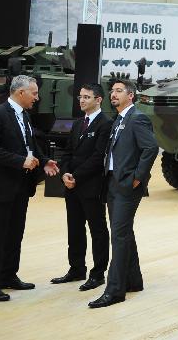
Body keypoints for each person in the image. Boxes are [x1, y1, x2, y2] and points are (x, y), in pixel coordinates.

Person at [0, 75, 59, 302]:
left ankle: (8, 275)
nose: (37, 97)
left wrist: (43, 161)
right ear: (20, 93)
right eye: (34, 93)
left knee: (15, 233)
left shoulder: (24, 115)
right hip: (0, 186)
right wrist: (19, 161)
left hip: (21, 186)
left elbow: (30, 145)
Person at [88, 78, 158, 309]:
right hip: (113, 183)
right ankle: (133, 280)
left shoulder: (137, 118)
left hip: (127, 185)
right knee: (123, 232)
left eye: (119, 91)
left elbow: (150, 148)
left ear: (131, 95)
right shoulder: (119, 119)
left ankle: (115, 290)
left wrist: (138, 177)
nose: (113, 95)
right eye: (112, 91)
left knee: (118, 235)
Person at [50, 83, 112, 292]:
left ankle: (98, 273)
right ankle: (76, 269)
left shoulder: (106, 123)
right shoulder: (78, 124)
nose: (82, 100)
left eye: (86, 97)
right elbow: (67, 152)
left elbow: (98, 158)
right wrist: (65, 174)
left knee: (97, 230)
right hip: (72, 185)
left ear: (98, 99)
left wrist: (76, 176)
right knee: (74, 229)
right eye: (80, 97)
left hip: (91, 186)